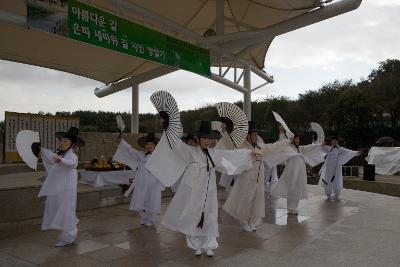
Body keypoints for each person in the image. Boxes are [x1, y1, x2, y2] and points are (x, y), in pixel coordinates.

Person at [147, 120, 257, 257]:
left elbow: (230, 155)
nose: (207, 141)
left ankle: (209, 244)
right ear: (198, 139)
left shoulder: (213, 153)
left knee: (210, 215)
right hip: (194, 193)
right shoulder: (190, 152)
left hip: (209, 193)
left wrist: (248, 154)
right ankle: (195, 244)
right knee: (193, 216)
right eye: (204, 138)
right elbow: (175, 145)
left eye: (209, 138)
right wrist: (167, 127)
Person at [222, 121, 291, 231]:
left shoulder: (259, 147)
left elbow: (273, 147)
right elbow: (230, 148)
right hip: (246, 180)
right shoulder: (242, 147)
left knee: (256, 201)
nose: (256, 136)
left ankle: (251, 221)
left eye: (256, 134)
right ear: (248, 135)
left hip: (258, 180)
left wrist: (287, 141)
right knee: (245, 200)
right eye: (254, 134)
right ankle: (244, 221)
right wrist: (224, 131)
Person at [38, 127, 80, 247]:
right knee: (61, 206)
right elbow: (51, 158)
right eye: (62, 141)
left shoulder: (72, 156)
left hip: (68, 186)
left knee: (67, 208)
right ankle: (66, 235)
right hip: (62, 186)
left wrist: (61, 161)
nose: (62, 143)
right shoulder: (62, 155)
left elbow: (72, 163)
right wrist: (41, 150)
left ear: (72, 144)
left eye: (65, 141)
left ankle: (69, 236)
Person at [113, 133, 165, 227]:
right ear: (145, 146)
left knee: (152, 200)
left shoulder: (158, 157)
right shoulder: (141, 155)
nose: (149, 146)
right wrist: (122, 141)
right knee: (142, 199)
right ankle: (143, 218)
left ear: (155, 146)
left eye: (152, 144)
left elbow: (162, 170)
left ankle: (151, 219)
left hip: (153, 183)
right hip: (142, 182)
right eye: (148, 144)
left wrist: (160, 183)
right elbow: (130, 150)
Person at [268, 131, 325, 215]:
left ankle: (294, 207)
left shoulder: (299, 149)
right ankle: (290, 208)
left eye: (298, 138)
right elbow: (279, 148)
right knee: (291, 190)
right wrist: (284, 138)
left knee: (297, 190)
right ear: (293, 139)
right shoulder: (288, 148)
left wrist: (320, 145)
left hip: (299, 174)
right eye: (297, 138)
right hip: (291, 173)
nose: (298, 140)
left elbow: (309, 147)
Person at [318, 135, 360, 200]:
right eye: (333, 141)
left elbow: (348, 152)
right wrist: (321, 144)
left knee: (336, 179)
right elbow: (320, 148)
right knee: (328, 179)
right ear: (331, 141)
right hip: (329, 168)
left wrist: (356, 152)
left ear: (337, 141)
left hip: (337, 168)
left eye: (335, 141)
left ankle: (336, 193)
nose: (334, 142)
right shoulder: (328, 148)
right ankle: (328, 193)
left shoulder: (340, 149)